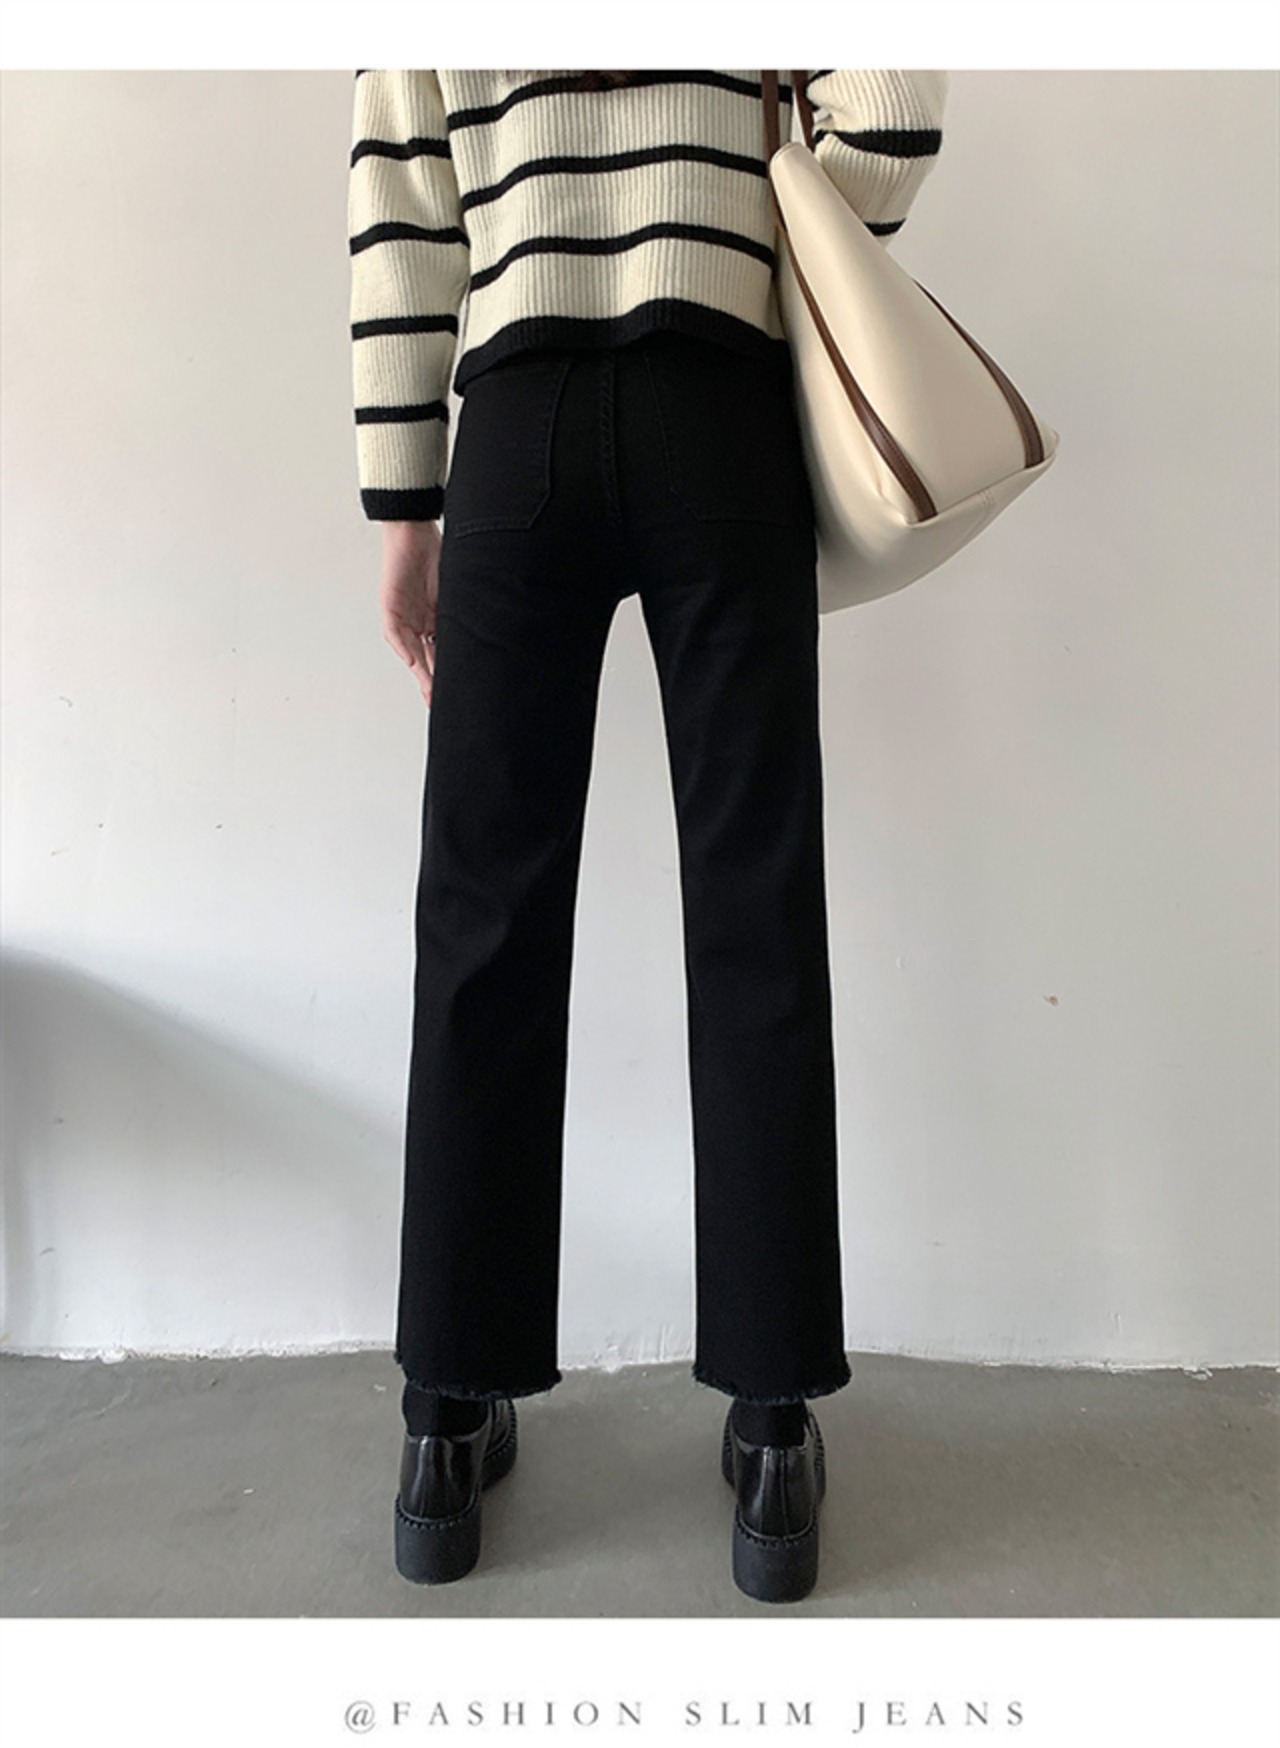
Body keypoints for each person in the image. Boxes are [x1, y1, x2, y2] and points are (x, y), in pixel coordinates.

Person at [348, 67, 947, 1602]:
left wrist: (406, 513)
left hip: (516, 422)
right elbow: (893, 102)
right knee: (757, 911)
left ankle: (443, 1424)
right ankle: (773, 1430)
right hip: (719, 417)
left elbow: (404, 216)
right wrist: (773, 218)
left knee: (482, 916)